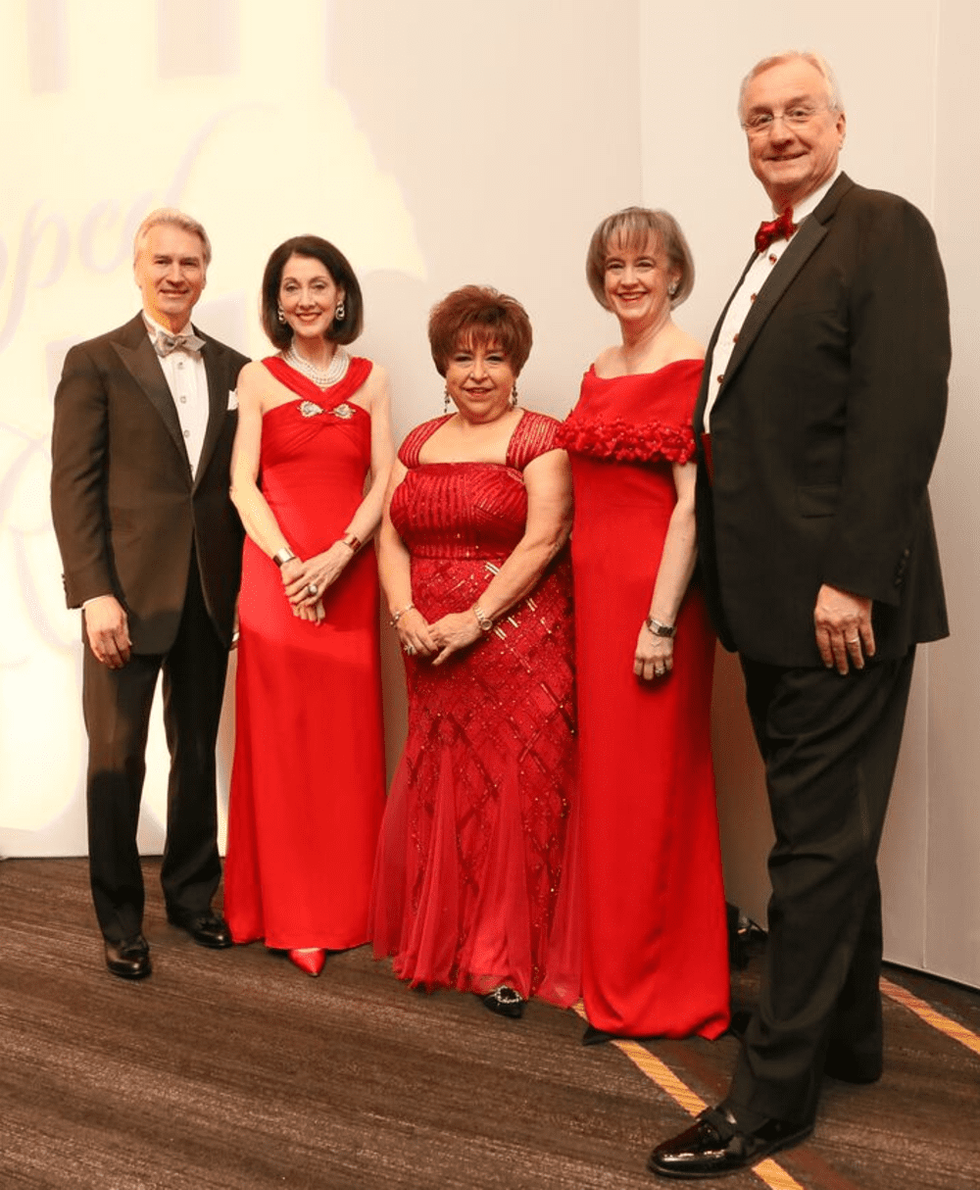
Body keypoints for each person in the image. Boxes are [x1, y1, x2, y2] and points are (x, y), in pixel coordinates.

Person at [649, 52, 949, 1179]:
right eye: (756, 118)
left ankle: (769, 1096)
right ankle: (850, 1034)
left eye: (795, 113)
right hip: (771, 605)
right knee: (829, 833)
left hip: (836, 605)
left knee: (811, 849)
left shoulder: (882, 228)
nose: (775, 131)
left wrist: (852, 579)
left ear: (837, 122)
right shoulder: (772, 244)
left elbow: (899, 408)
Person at [50, 208, 249, 979]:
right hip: (123, 600)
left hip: (208, 594)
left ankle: (194, 898)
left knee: (196, 754)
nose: (176, 274)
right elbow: (74, 488)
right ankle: (120, 921)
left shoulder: (239, 370)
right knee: (117, 759)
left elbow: (241, 489)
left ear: (206, 272)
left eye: (190, 263)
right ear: (138, 269)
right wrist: (93, 593)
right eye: (162, 261)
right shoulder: (95, 359)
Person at [370, 285, 578, 1018]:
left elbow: (545, 539)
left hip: (518, 645)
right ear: (443, 367)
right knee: (444, 778)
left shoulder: (541, 439)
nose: (479, 372)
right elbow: (390, 532)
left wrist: (476, 619)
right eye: (463, 358)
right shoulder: (417, 442)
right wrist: (404, 611)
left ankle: (505, 954)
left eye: (494, 357)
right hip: (428, 644)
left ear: (517, 363)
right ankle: (454, 937)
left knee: (517, 786)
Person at [557, 208, 730, 1043]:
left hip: (653, 609)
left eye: (644, 264)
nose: (628, 278)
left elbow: (694, 509)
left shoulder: (695, 364)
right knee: (614, 794)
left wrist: (660, 622)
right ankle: (616, 975)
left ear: (673, 273)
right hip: (593, 603)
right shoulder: (597, 365)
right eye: (614, 265)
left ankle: (664, 989)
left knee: (657, 794)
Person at [223, 235, 393, 977]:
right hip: (276, 579)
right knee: (284, 746)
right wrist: (293, 562)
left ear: (341, 294)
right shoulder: (256, 378)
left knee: (345, 743)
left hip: (349, 576)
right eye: (290, 288)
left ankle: (349, 905)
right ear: (276, 302)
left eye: (317, 285)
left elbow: (386, 477)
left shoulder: (373, 378)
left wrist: (341, 554)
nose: (305, 299)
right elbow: (240, 485)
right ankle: (289, 911)